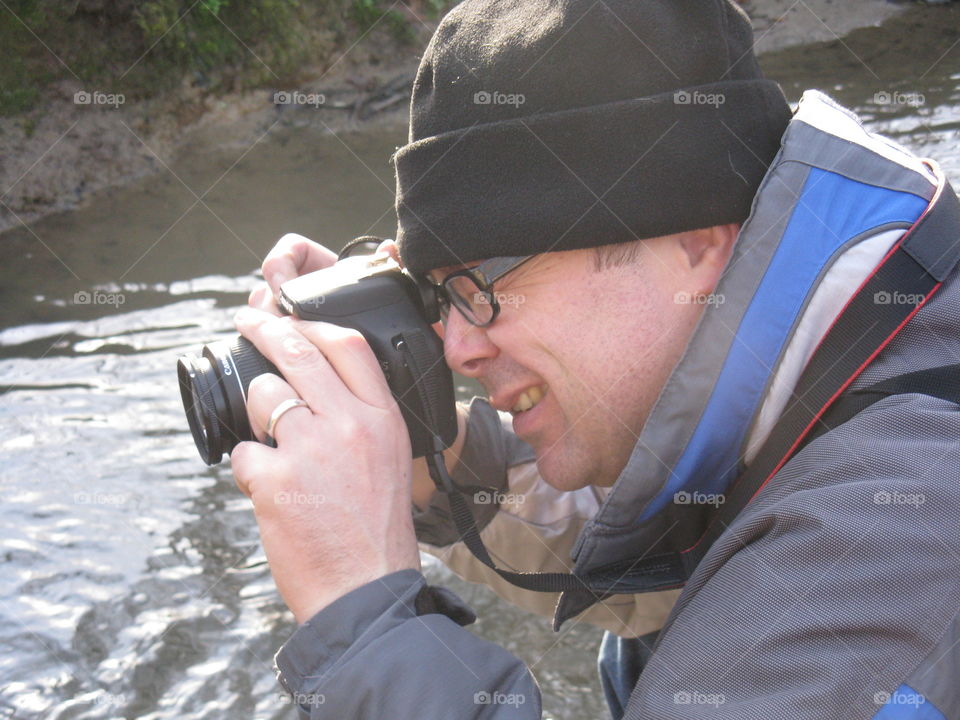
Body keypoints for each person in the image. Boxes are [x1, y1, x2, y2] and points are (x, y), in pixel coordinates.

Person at [230, 0, 960, 717]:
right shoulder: (850, 345)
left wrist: (364, 628)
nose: (455, 347)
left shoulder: (893, 528)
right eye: (432, 295)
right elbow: (653, 529)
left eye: (481, 284)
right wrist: (429, 460)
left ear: (692, 242)